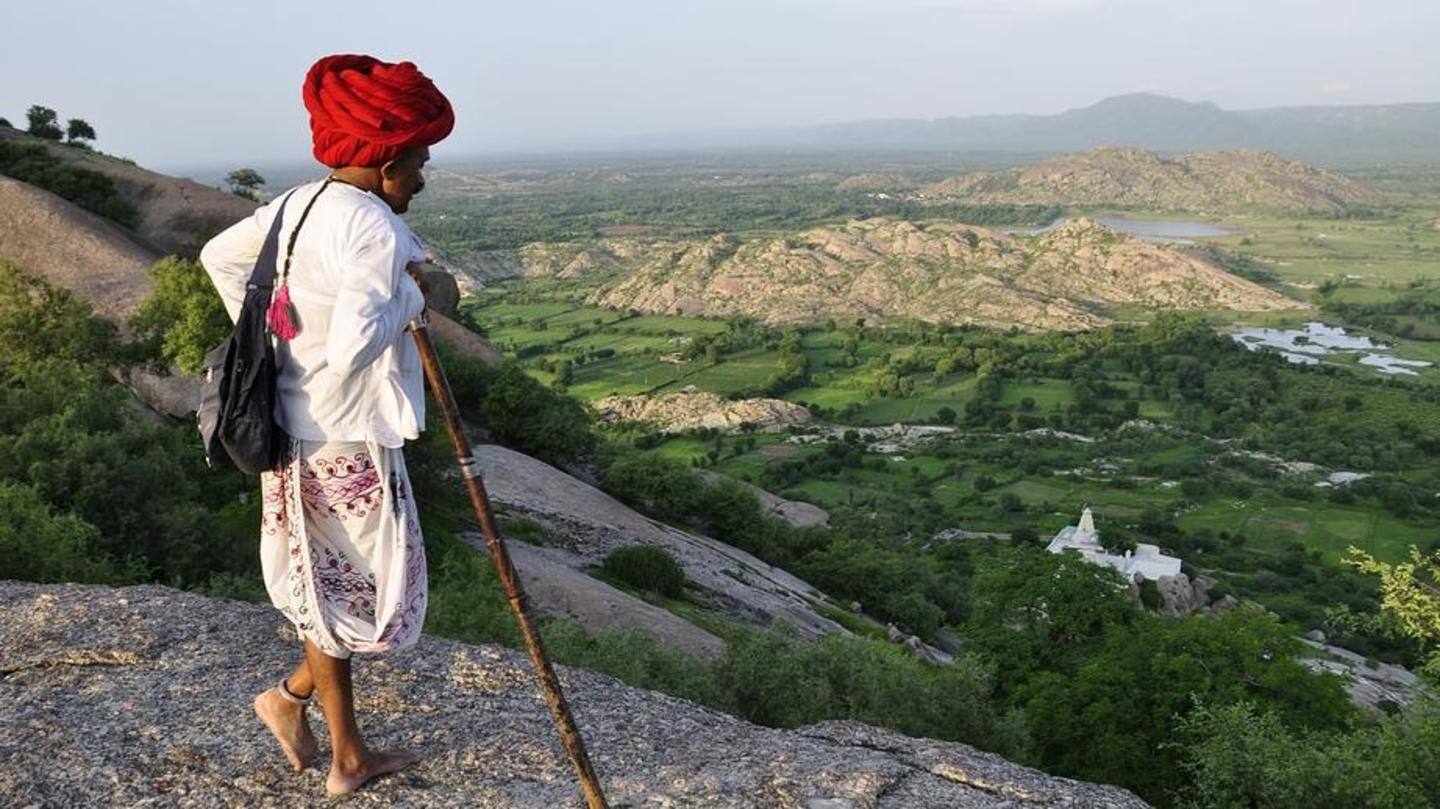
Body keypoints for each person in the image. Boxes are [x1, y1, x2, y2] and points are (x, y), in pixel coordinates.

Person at [199, 53, 454, 796]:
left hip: (288, 427)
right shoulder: (375, 227)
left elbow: (221, 257)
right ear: (384, 163)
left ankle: (314, 723)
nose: (422, 177)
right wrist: (414, 299)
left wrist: (278, 335)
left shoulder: (298, 202)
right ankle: (315, 725)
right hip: (345, 434)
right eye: (417, 160)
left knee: (323, 587)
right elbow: (352, 350)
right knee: (369, 598)